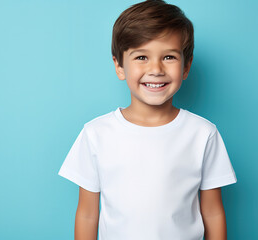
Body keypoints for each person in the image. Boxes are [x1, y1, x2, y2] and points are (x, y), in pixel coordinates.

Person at [58, 0, 237, 239]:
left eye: (169, 57)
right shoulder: (96, 133)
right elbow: (87, 214)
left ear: (186, 67)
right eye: (141, 57)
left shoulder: (203, 133)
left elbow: (213, 212)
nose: (156, 69)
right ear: (119, 66)